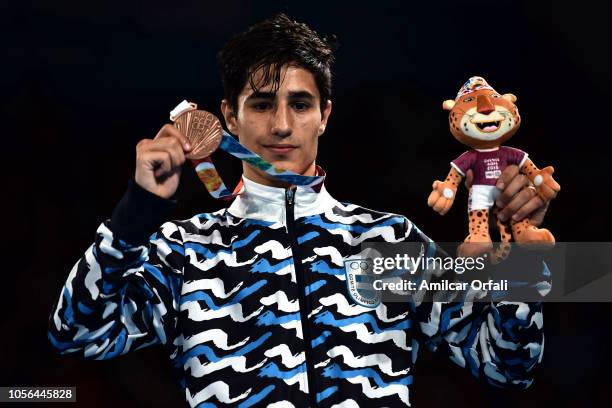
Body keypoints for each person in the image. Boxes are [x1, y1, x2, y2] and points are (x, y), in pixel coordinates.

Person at [49, 13, 550, 407]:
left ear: (325, 115)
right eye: (263, 104)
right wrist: (136, 214)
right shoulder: (185, 250)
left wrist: (518, 257)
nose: (283, 126)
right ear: (229, 117)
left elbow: (506, 366)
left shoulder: (389, 242)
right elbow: (77, 333)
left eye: (301, 104)